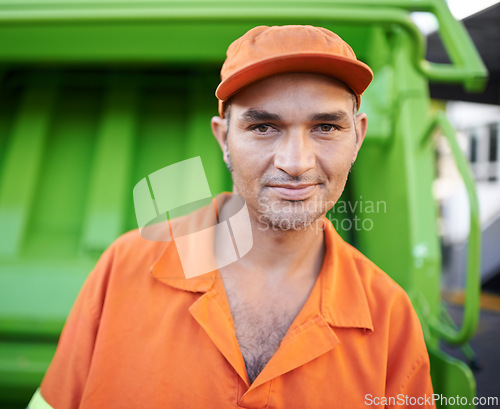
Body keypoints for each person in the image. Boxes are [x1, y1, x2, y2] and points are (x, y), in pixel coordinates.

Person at [28, 25, 436, 408]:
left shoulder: (389, 315)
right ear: (224, 138)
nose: (295, 162)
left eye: (326, 127)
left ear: (358, 137)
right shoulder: (126, 266)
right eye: (263, 127)